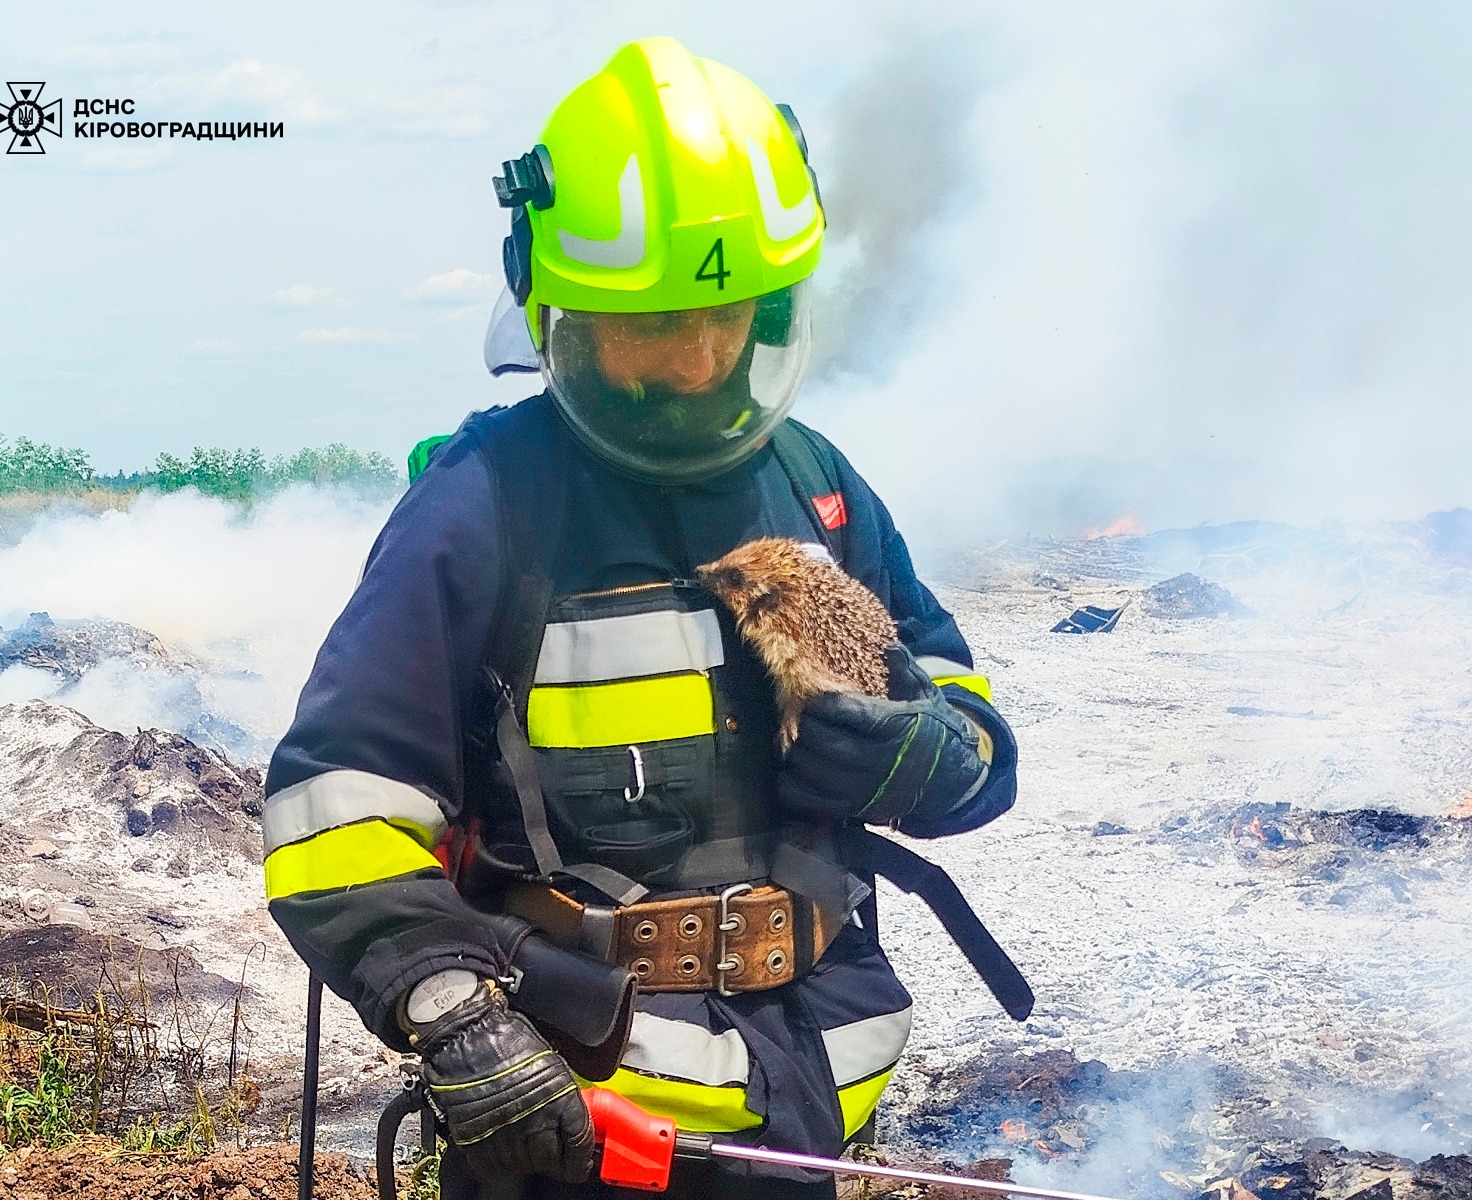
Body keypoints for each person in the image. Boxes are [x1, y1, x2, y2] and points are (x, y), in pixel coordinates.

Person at [263, 36, 1021, 1200]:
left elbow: (962, 719)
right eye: (654, 323)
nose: (698, 360)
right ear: (557, 306)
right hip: (576, 1128)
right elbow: (334, 817)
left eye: (732, 316)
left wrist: (931, 750)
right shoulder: (478, 510)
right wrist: (455, 1018)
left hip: (796, 1115)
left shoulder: (819, 488)